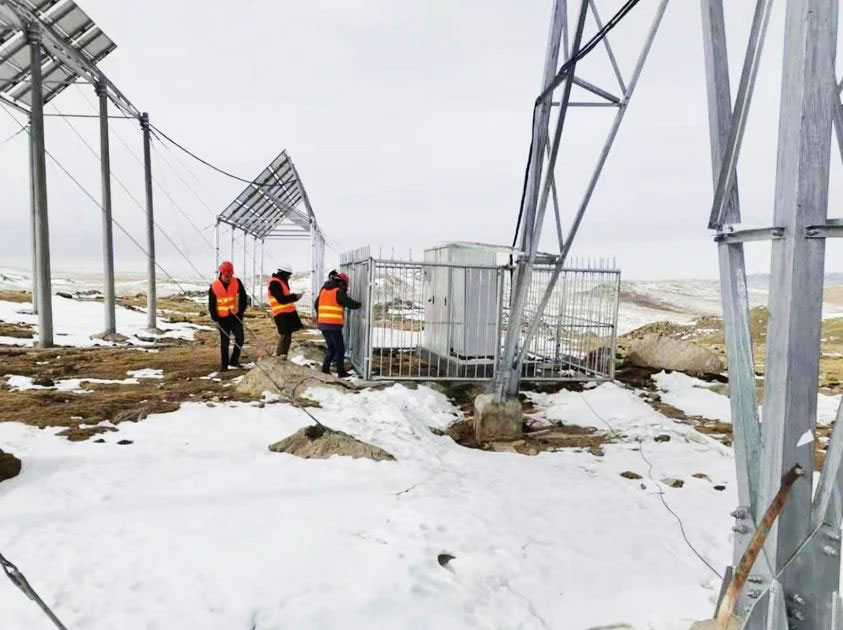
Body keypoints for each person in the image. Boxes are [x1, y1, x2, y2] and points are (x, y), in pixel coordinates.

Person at [314, 270, 361, 377]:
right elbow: (350, 303)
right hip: (333, 326)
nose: (345, 288)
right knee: (340, 349)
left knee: (331, 348)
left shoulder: (323, 290)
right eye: (345, 285)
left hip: (323, 324)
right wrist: (360, 304)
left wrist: (321, 316)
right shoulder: (338, 292)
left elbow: (316, 305)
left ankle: (325, 369)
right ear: (341, 282)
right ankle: (341, 372)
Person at [208, 261, 248, 371]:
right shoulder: (214, 286)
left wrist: (240, 312)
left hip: (236, 317)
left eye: (230, 276)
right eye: (226, 276)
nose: (228, 278)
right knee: (225, 343)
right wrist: (215, 319)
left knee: (240, 339)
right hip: (222, 319)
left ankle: (234, 361)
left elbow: (243, 299)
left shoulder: (237, 282)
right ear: (221, 274)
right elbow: (212, 305)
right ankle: (224, 365)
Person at [267, 264, 303, 359]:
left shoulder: (280, 282)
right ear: (283, 273)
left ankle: (282, 354)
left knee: (287, 334)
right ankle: (280, 355)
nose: (289, 277)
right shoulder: (275, 283)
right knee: (285, 334)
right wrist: (295, 297)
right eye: (288, 275)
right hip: (281, 313)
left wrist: (294, 297)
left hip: (286, 313)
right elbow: (281, 299)